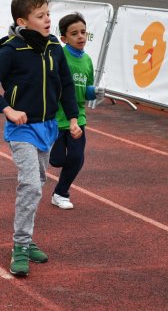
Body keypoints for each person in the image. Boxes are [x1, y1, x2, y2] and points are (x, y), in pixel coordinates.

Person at [0, 0, 81, 277]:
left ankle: (27, 237)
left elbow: (67, 85)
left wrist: (72, 117)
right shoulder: (11, 50)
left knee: (39, 182)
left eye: (48, 14)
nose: (48, 20)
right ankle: (20, 246)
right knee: (31, 185)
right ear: (23, 21)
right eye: (40, 16)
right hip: (21, 129)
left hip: (48, 127)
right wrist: (7, 109)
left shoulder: (54, 48)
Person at [49, 13, 104, 210]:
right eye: (74, 34)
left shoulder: (88, 60)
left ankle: (60, 192)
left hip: (77, 116)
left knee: (77, 156)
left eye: (83, 32)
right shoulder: (59, 56)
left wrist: (94, 92)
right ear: (63, 38)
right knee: (56, 160)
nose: (80, 37)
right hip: (56, 115)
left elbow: (86, 89)